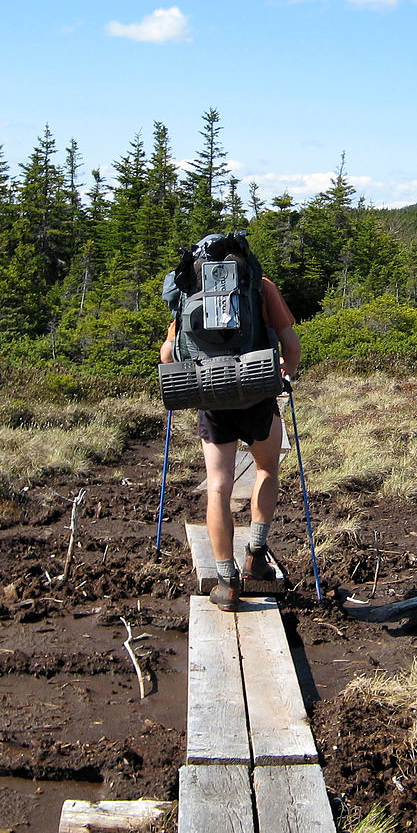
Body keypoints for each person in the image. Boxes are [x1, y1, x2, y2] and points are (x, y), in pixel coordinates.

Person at [159, 251, 300, 612]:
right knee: (267, 470)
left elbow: (168, 355)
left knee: (219, 487)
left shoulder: (192, 291)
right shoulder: (261, 287)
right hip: (256, 395)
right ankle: (255, 555)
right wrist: (286, 374)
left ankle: (226, 582)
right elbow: (292, 345)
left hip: (213, 400)